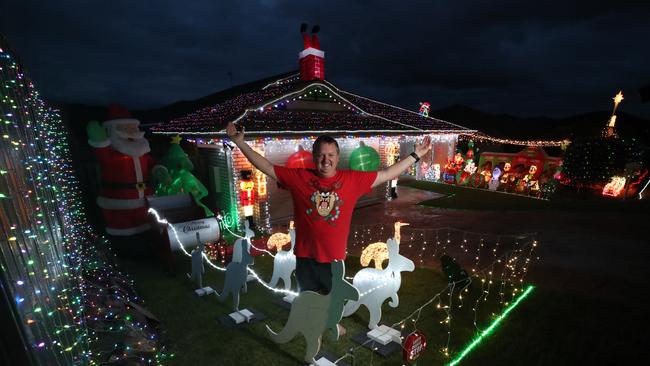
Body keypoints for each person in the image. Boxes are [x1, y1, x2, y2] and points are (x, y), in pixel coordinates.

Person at [226, 122, 431, 294]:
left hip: (333, 256)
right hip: (305, 255)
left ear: (337, 156)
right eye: (322, 155)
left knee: (332, 296)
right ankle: (314, 332)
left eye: (331, 155)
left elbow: (387, 173)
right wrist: (240, 143)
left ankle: (332, 326)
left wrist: (416, 155)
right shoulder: (300, 177)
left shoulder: (352, 180)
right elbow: (267, 167)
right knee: (307, 297)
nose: (326, 160)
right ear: (314, 157)